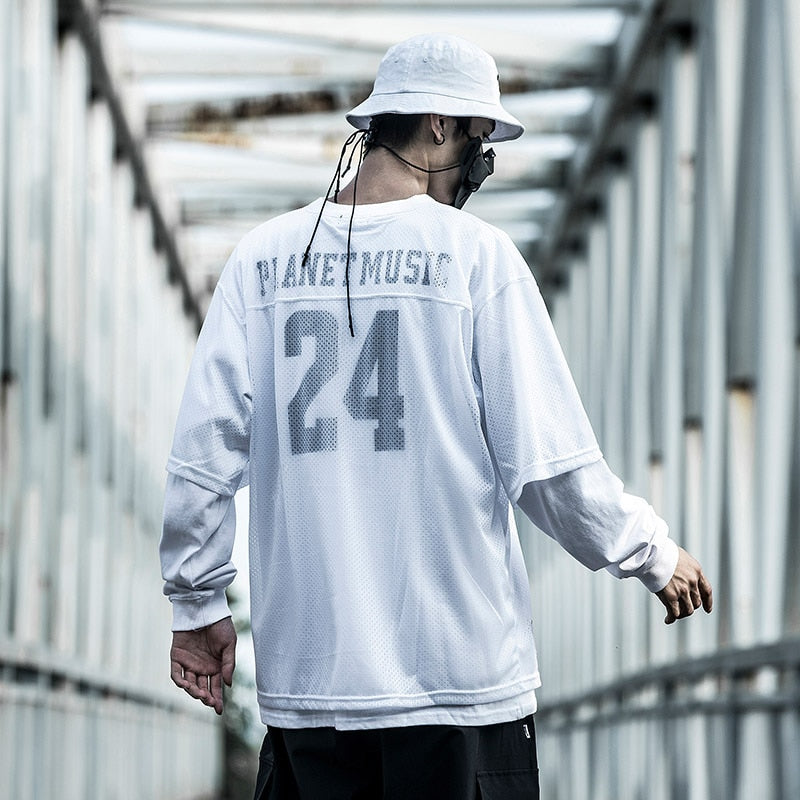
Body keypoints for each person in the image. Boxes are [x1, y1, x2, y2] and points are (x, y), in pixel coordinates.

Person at [159, 33, 713, 799]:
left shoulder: (261, 261)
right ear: (440, 125)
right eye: (480, 142)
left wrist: (196, 601)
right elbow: (548, 466)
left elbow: (201, 457)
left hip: (309, 696)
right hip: (461, 692)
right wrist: (652, 552)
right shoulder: (477, 258)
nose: (480, 168)